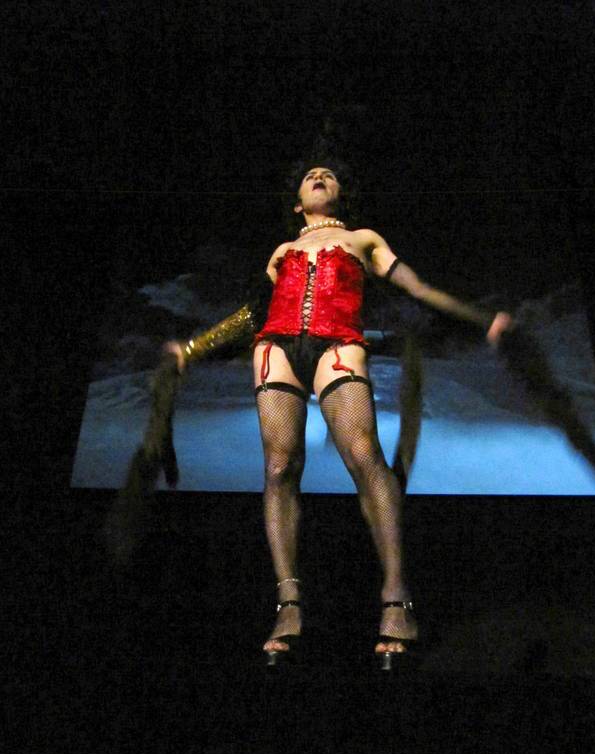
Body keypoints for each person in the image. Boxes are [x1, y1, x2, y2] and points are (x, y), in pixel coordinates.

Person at [166, 164, 512, 667]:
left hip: (338, 344)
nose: (320, 176)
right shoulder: (282, 251)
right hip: (276, 347)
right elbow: (253, 314)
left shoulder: (363, 239)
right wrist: (192, 349)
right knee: (279, 468)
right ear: (297, 202)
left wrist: (479, 319)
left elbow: (416, 287)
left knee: (364, 457)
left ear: (341, 193)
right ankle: (288, 604)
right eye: (311, 175)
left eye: (329, 174)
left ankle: (396, 597)